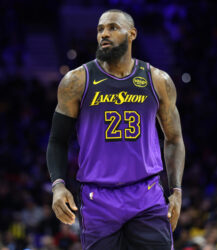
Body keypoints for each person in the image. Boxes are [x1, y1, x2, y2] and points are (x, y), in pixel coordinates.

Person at [46, 9, 185, 250]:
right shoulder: (76, 81)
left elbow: (173, 138)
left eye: (112, 28)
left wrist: (176, 190)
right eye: (100, 29)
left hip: (147, 195)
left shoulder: (158, 80)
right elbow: (57, 140)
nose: (104, 34)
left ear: (132, 34)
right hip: (97, 198)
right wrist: (58, 186)